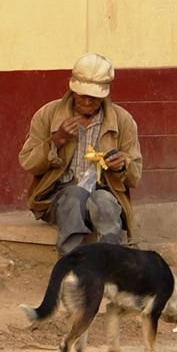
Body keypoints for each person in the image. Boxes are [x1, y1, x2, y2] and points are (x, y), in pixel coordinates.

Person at [19, 52, 142, 254]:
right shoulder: (48, 114)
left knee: (105, 203)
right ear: (72, 89)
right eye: (81, 95)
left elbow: (135, 175)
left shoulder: (123, 121)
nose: (86, 101)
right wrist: (56, 141)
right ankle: (71, 261)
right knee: (74, 195)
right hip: (58, 196)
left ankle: (108, 263)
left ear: (104, 95)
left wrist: (122, 166)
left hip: (103, 192)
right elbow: (28, 162)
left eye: (94, 98)